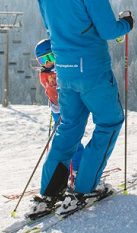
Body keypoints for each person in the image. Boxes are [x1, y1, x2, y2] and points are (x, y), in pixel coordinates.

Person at [28, 0, 134, 219]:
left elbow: (53, 30)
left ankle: (48, 194)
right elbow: (109, 30)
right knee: (110, 122)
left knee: (68, 129)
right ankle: (84, 188)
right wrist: (126, 23)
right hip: (92, 70)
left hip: (63, 71)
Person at [34, 39, 84, 183]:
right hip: (56, 110)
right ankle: (67, 170)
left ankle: (79, 168)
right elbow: (48, 88)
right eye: (43, 60)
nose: (48, 62)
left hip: (69, 108)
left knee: (72, 140)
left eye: (50, 57)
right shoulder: (44, 74)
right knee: (61, 141)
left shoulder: (63, 68)